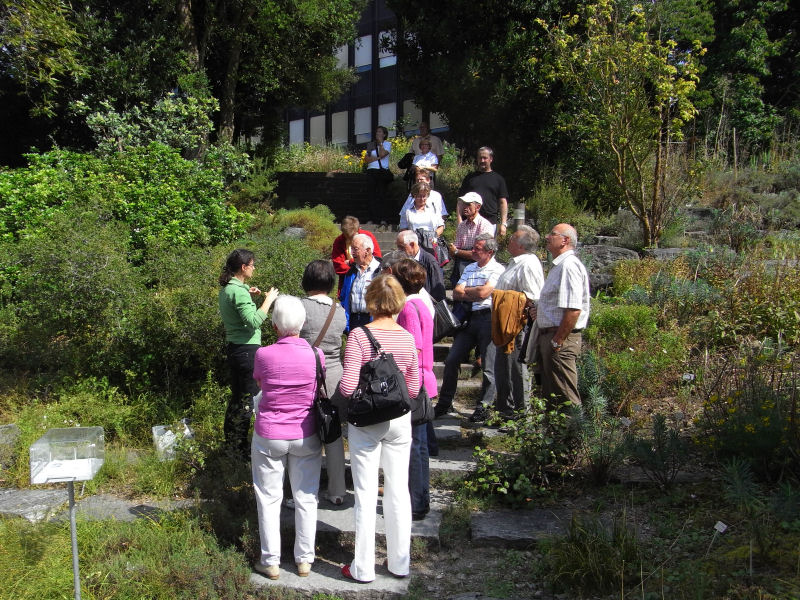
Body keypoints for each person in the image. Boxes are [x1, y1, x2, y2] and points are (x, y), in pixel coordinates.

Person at [338, 274, 420, 583]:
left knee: (365, 492)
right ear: (399, 301)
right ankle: (400, 563)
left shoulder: (359, 336)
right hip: (399, 421)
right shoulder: (407, 338)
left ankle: (363, 567)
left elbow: (347, 387)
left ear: (370, 300)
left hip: (367, 422)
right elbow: (414, 387)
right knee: (398, 491)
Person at [251, 295, 322, 580]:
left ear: (274, 326)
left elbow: (261, 383)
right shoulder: (316, 355)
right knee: (306, 497)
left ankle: (270, 561)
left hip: (270, 433)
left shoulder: (263, 354)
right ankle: (304, 560)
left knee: (269, 498)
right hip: (306, 432)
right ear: (302, 323)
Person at [434, 234, 504, 422]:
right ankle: (445, 402)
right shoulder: (470, 267)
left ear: (489, 252)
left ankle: (484, 407)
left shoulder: (498, 269)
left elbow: (484, 293)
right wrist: (475, 293)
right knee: (452, 360)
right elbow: (457, 293)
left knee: (489, 366)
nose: (472, 251)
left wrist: (470, 292)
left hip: (488, 318)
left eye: (477, 249)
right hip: (468, 318)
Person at [218, 249, 279, 458]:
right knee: (247, 401)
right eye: (252, 265)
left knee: (237, 398)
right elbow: (253, 321)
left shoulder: (229, 288)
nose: (254, 268)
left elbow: (240, 313)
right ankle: (240, 450)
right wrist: (268, 300)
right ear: (243, 267)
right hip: (247, 350)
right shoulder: (238, 291)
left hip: (235, 349)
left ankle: (232, 444)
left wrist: (249, 295)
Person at [298, 260, 348, 506]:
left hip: (305, 374)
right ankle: (337, 490)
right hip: (334, 377)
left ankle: (306, 490)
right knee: (333, 432)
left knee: (305, 433)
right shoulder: (339, 310)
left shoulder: (300, 307)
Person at [393, 259, 436, 521]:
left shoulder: (409, 308)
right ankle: (419, 498)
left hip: (415, 381)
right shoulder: (420, 303)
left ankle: (417, 501)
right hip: (423, 378)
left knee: (415, 445)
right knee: (419, 444)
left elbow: (414, 346)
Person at [530, 224, 591, 407]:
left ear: (565, 240)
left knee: (566, 397)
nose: (547, 237)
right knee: (551, 397)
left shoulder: (569, 266)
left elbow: (573, 309)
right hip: (551, 337)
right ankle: (556, 427)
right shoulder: (559, 266)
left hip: (559, 339)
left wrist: (557, 341)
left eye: (553, 234)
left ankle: (575, 426)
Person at [490, 226, 544, 417]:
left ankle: (521, 414)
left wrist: (507, 300)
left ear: (521, 245)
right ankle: (505, 412)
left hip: (516, 325)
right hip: (504, 324)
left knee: (516, 369)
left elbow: (533, 296)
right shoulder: (515, 262)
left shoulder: (528, 264)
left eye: (513, 238)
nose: (509, 240)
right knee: (503, 368)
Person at [446, 192, 495, 288]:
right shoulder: (462, 225)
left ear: (478, 207)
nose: (464, 207)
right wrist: (455, 251)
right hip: (461, 265)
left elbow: (481, 254)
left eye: (468, 204)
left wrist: (456, 251)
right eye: (463, 204)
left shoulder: (485, 225)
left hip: (478, 268)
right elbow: (455, 250)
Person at [456, 147, 509, 237]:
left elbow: (502, 202)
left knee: (487, 246)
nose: (482, 160)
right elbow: (460, 202)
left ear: (491, 159)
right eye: (480, 158)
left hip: (490, 222)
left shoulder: (498, 179)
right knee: (467, 246)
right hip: (469, 222)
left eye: (485, 158)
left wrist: (503, 224)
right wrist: (459, 221)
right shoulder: (470, 178)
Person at [340, 233, 382, 332]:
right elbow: (343, 296)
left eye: (355, 249)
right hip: (353, 321)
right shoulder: (351, 272)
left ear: (367, 251)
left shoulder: (380, 271)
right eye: (351, 249)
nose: (352, 253)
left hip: (373, 320)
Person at [331, 216, 382, 294]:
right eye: (346, 236)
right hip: (348, 280)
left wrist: (351, 262)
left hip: (369, 277)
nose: (350, 239)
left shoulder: (367, 236)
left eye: (352, 236)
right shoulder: (339, 241)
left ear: (357, 230)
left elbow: (377, 258)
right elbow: (338, 266)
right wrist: (356, 269)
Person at [396, 229, 445, 301]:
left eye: (401, 247)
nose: (399, 250)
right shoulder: (401, 261)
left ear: (412, 244)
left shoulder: (429, 261)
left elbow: (438, 290)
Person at [365, 126, 392, 223]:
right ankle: (372, 218)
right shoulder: (371, 144)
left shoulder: (387, 144)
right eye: (377, 132)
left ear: (384, 134)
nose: (377, 133)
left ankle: (382, 218)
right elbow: (366, 159)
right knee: (371, 195)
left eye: (380, 132)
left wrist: (380, 144)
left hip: (381, 171)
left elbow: (382, 154)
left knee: (381, 194)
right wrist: (376, 158)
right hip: (371, 171)